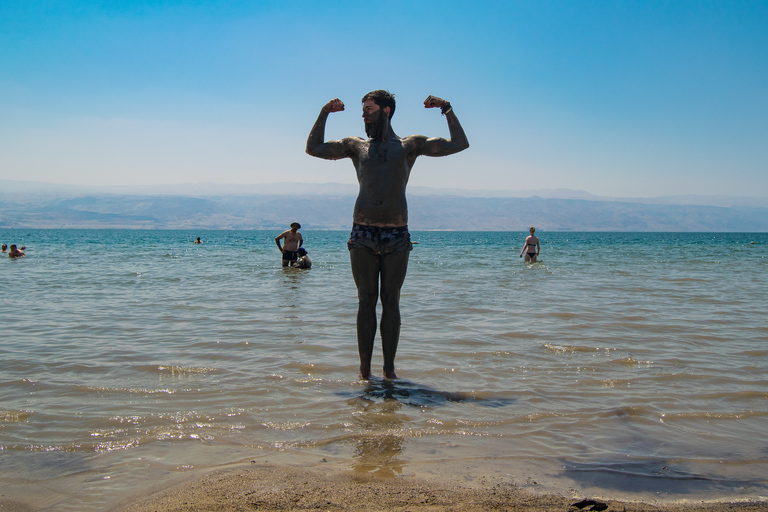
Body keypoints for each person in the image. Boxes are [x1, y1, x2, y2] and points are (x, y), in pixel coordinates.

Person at [306, 90, 469, 380]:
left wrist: (446, 108)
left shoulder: (409, 146)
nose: (364, 114)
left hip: (396, 235)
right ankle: (365, 371)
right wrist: (324, 112)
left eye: (368, 109)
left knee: (391, 299)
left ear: (386, 111)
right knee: (366, 300)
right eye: (363, 110)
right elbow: (314, 148)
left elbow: (459, 144)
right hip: (363, 233)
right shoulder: (355, 146)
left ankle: (389, 371)